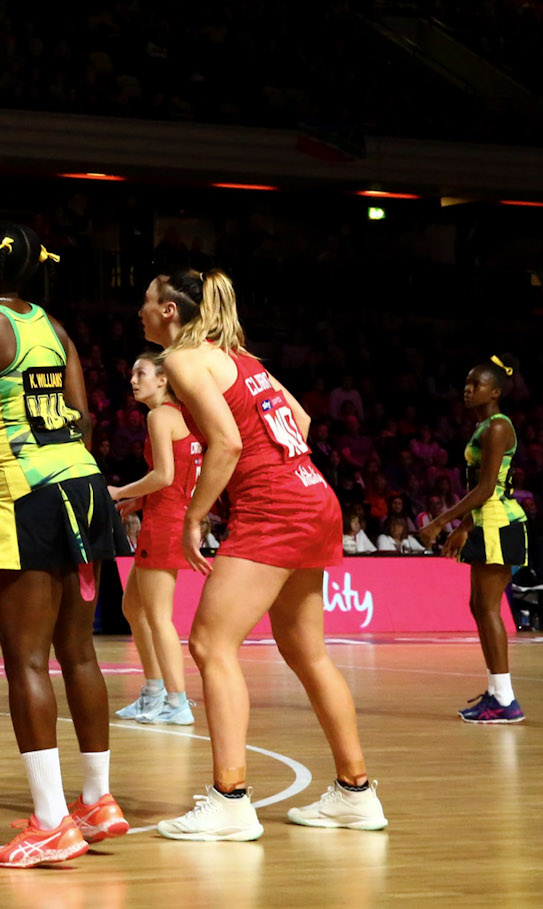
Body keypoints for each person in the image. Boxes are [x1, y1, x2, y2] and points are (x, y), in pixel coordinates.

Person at [140, 269, 386, 840]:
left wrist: (197, 514)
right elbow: (299, 419)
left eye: (146, 303)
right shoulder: (237, 354)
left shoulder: (182, 360)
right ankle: (355, 793)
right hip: (313, 493)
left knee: (209, 643)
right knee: (307, 652)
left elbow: (226, 442)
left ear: (170, 312)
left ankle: (229, 800)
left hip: (273, 506)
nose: (141, 312)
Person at [0, 222, 124, 868]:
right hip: (83, 481)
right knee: (79, 653)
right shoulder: (53, 327)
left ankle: (50, 824)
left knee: (26, 661)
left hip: (28, 492)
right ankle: (97, 802)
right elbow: (85, 416)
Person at [417, 355, 529, 723]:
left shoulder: (498, 427)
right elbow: (482, 490)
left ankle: (506, 699)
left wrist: (440, 523)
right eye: (466, 383)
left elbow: (485, 489)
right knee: (479, 606)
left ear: (495, 391)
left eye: (476, 384)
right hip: (485, 521)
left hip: (498, 522)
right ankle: (498, 693)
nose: (468, 389)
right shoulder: (483, 427)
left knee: (488, 607)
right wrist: (465, 527)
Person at [109, 351, 201, 726]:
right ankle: (153, 693)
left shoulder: (159, 416)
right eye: (132, 372)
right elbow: (174, 477)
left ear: (163, 379)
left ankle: (176, 702)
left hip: (164, 524)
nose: (133, 379)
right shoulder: (180, 417)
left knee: (159, 617)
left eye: (141, 372)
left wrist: (118, 492)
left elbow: (163, 475)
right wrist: (138, 500)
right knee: (133, 609)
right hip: (166, 517)